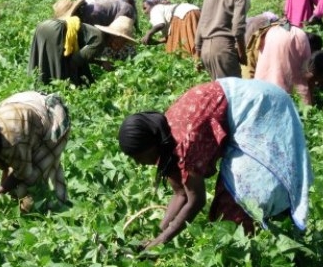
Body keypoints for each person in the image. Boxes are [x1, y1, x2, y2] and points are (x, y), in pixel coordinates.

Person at [118, 78, 312, 248]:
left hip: (262, 107)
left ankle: (256, 248)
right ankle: (274, 236)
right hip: (246, 103)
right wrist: (157, 233)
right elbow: (180, 194)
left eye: (139, 156)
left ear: (151, 144)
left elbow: (195, 200)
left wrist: (161, 242)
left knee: (240, 197)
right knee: (240, 198)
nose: (139, 163)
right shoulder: (163, 135)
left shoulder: (183, 140)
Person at [0, 91, 71, 213]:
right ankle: (56, 204)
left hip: (50, 117)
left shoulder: (12, 142)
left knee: (28, 183)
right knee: (21, 176)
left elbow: (23, 173)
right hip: (21, 112)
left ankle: (49, 210)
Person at [28, 0, 138, 86]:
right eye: (122, 41)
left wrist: (99, 63)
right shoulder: (98, 39)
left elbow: (82, 55)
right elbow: (75, 61)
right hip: (56, 30)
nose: (121, 46)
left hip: (44, 27)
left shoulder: (92, 33)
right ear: (114, 37)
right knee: (60, 73)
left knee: (43, 66)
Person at [195, 0, 250, 79]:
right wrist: (242, 54)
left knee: (217, 91)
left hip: (205, 49)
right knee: (231, 94)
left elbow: (201, 23)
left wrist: (198, 53)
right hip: (224, 49)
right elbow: (238, 27)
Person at [253, 23, 319, 105]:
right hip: (290, 97)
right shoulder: (300, 35)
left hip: (264, 92)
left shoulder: (270, 33)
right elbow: (307, 73)